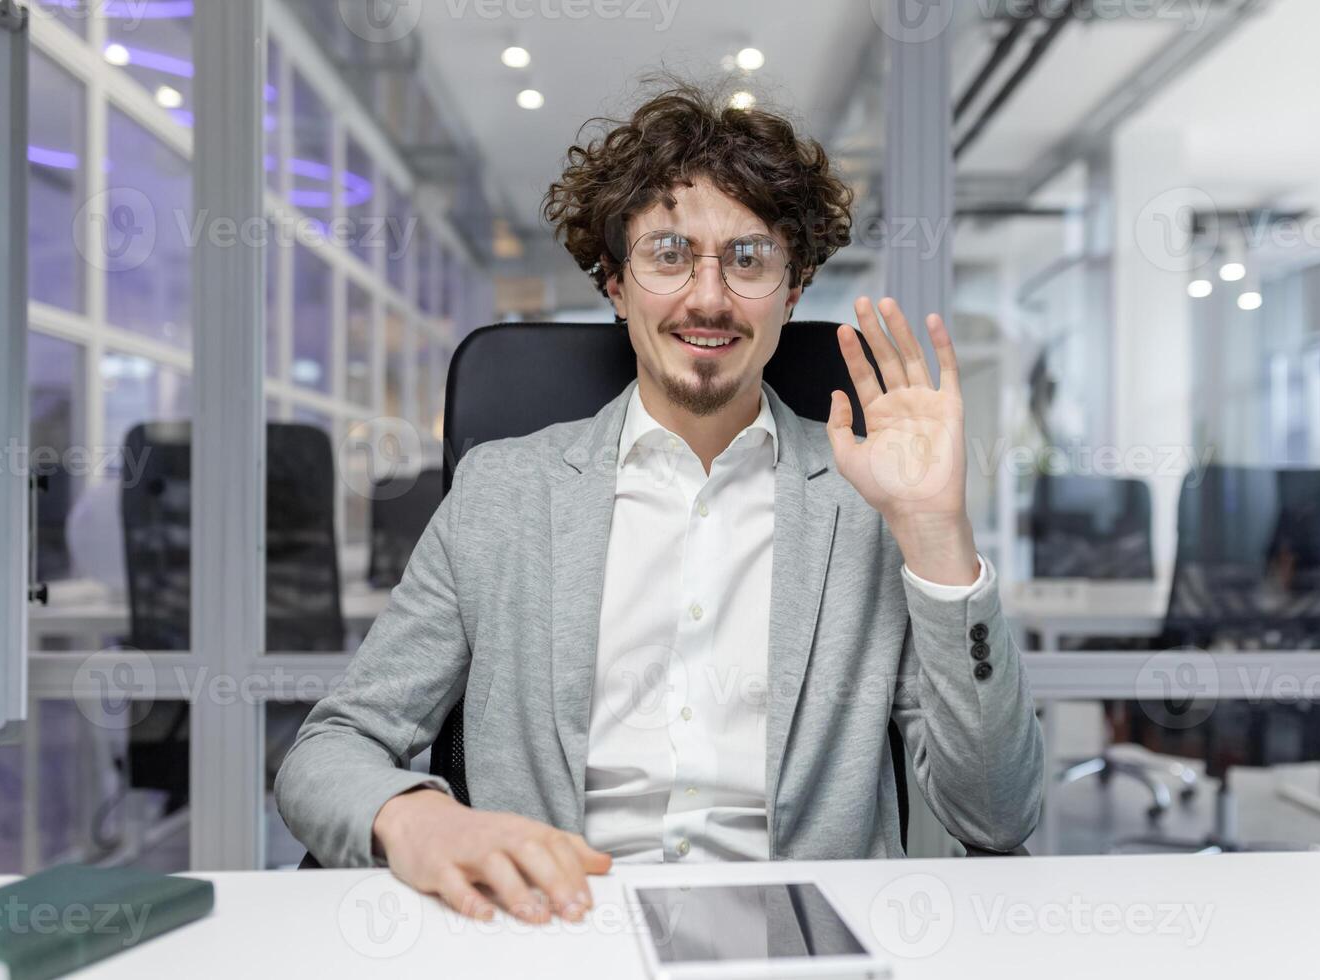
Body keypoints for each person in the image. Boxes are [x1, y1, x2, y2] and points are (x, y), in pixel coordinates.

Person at [276, 75, 1043, 927]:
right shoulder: (502, 493)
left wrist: (936, 534)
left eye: (748, 258)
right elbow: (328, 750)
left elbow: (998, 814)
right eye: (668, 254)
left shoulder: (871, 508)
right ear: (614, 281)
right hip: (552, 933)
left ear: (794, 290)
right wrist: (415, 820)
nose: (708, 297)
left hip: (805, 942)